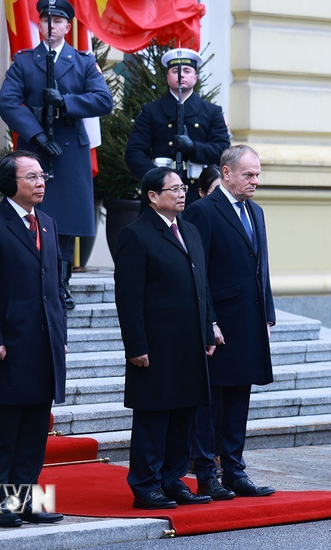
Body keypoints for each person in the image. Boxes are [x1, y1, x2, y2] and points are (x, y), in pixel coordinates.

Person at [0, 151, 67, 527]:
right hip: (8, 344)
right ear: (10, 183)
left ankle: (26, 500)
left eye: (42, 176)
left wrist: (62, 335)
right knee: (2, 431)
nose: (40, 182)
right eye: (31, 177)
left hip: (44, 344)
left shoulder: (48, 222)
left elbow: (55, 287)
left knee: (33, 430)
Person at [0, 0, 114, 310]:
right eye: (46, 20)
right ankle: (35, 281)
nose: (51, 26)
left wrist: (66, 102)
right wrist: (34, 132)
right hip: (35, 150)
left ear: (67, 25)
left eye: (58, 21)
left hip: (69, 151)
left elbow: (104, 100)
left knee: (64, 222)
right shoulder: (24, 61)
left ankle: (61, 285)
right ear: (39, 23)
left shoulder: (83, 62)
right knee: (32, 215)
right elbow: (8, 102)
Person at [115, 167, 215, 509]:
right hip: (156, 345)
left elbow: (202, 286)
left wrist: (208, 328)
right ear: (153, 196)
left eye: (183, 187)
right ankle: (145, 485)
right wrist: (136, 346)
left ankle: (172, 480)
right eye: (173, 189)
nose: (182, 193)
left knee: (184, 415)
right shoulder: (137, 235)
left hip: (189, 344)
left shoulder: (189, 230)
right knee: (154, 418)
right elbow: (129, 299)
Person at [184, 145, 276, 499]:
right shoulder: (203, 211)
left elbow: (261, 266)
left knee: (240, 395)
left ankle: (235, 470)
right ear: (226, 173)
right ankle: (207, 472)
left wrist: (267, 312)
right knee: (212, 401)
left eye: (257, 175)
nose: (255, 181)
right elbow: (197, 271)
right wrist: (209, 321)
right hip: (220, 323)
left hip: (249, 320)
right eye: (248, 175)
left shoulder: (256, 211)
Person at [124, 48, 230, 206]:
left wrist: (194, 148)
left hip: (199, 191)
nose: (181, 75)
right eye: (175, 71)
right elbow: (134, 152)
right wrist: (157, 178)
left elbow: (223, 151)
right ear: (168, 78)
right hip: (162, 191)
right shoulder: (151, 111)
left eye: (187, 70)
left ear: (195, 78)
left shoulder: (211, 112)